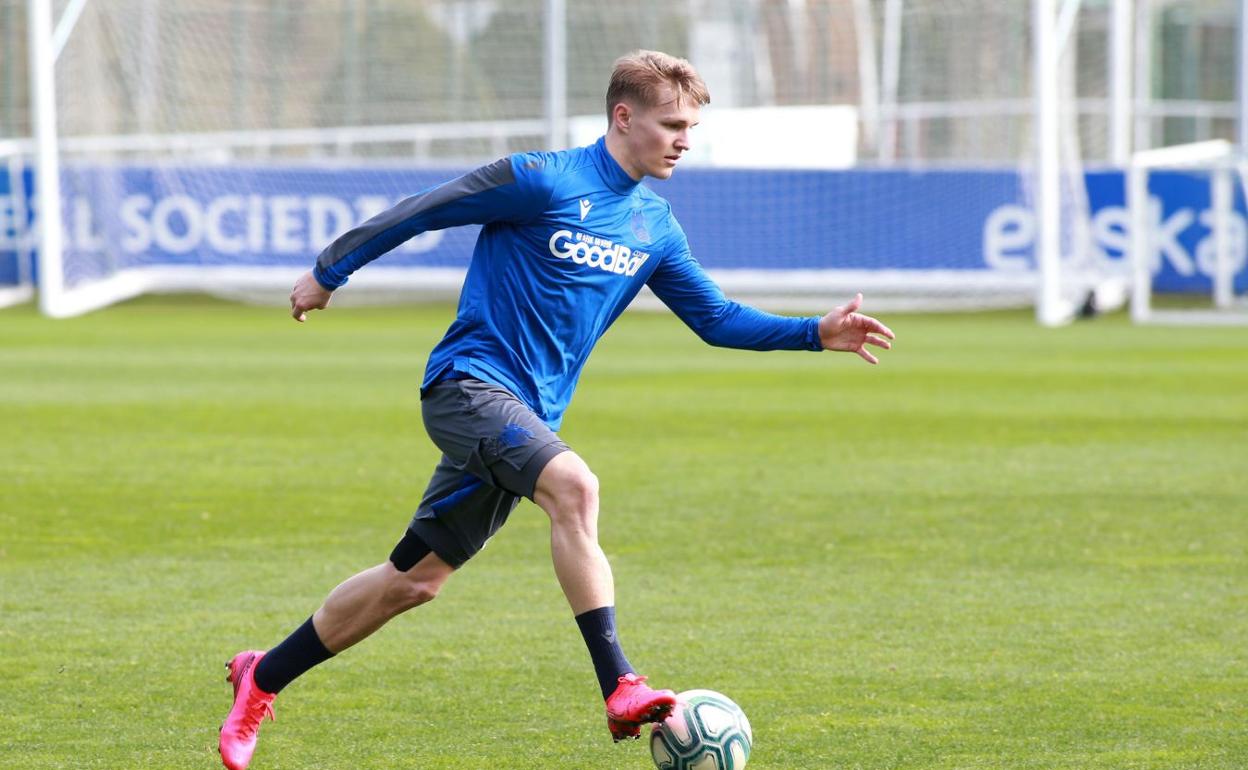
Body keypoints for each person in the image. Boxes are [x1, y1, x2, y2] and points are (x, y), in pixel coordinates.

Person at [218, 49, 894, 770]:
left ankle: (262, 677)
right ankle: (621, 685)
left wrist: (813, 335)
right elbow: (424, 210)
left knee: (413, 582)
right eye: (672, 124)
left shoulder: (653, 226)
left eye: (691, 127)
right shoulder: (540, 180)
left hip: (525, 419)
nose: (684, 141)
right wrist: (329, 271)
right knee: (576, 487)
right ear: (623, 116)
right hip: (466, 386)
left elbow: (715, 318)